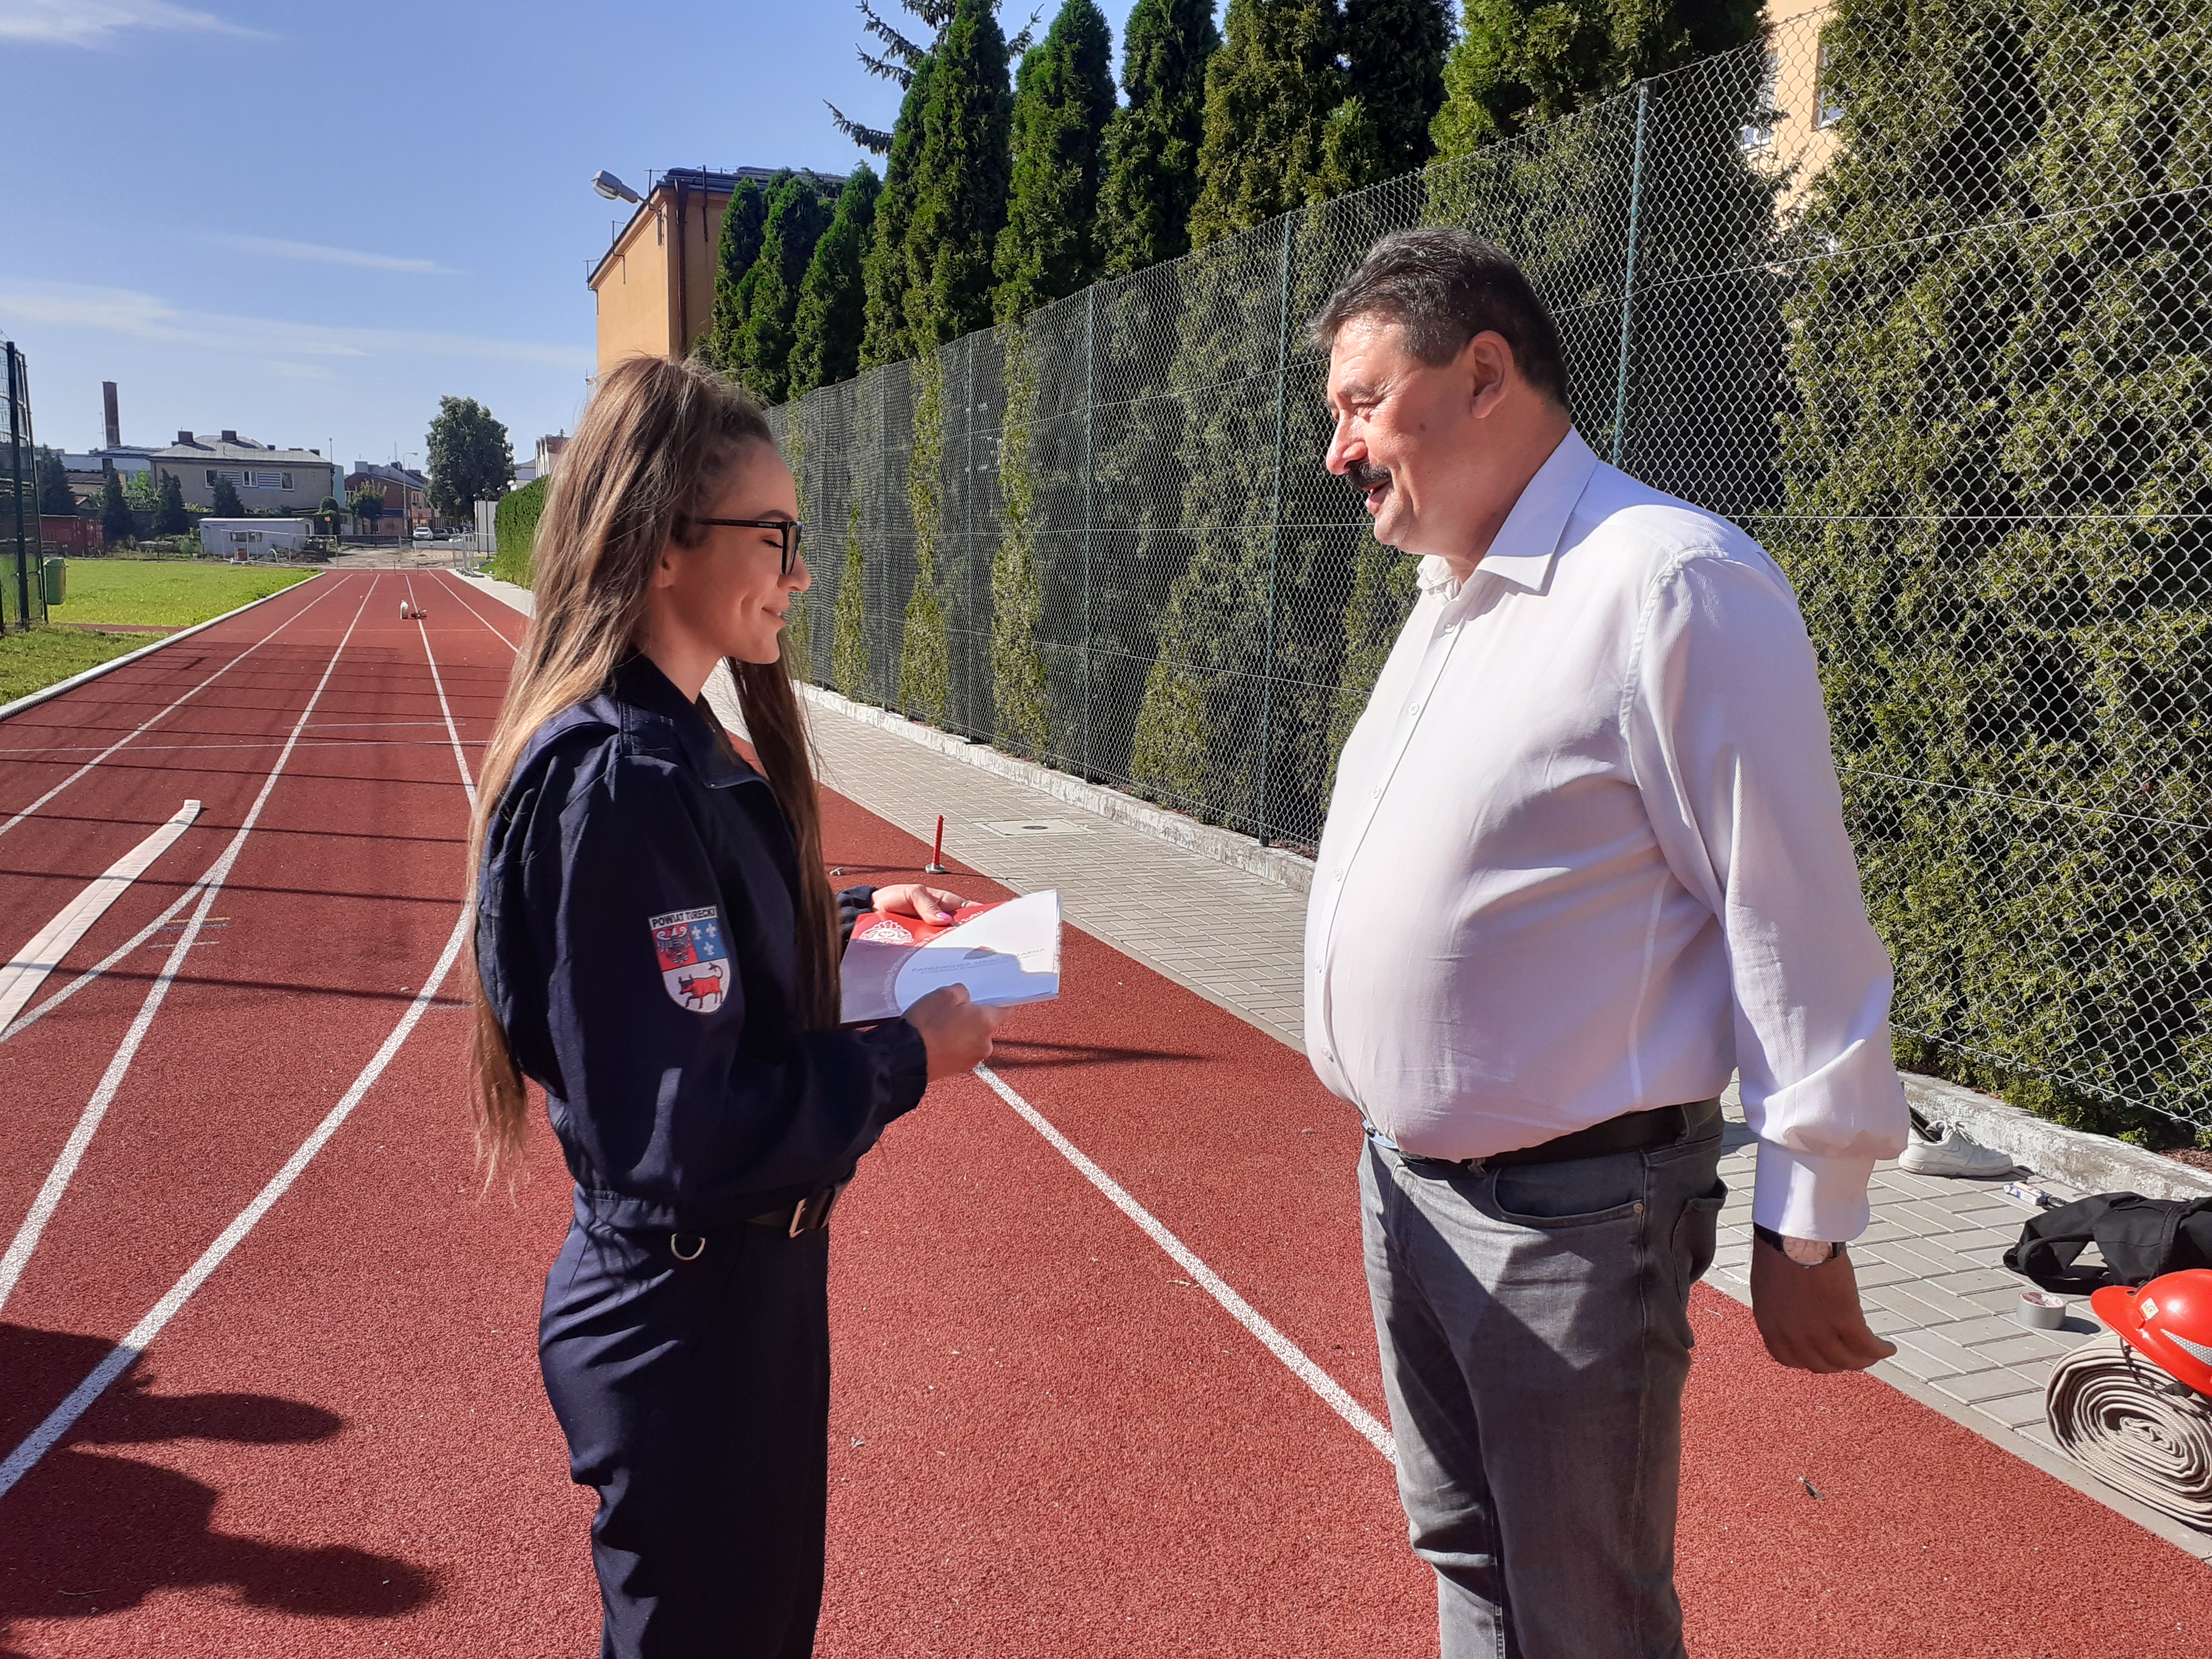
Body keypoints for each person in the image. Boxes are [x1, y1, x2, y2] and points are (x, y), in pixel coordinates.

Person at [1304, 229, 1908, 1658]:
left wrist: (1809, 1216)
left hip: (1569, 1216)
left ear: (1486, 373)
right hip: (1408, 1190)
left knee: (1586, 1618)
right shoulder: (1451, 596)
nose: (1339, 454)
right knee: (1465, 1560)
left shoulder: (1668, 581)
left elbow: (1790, 911)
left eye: (1363, 403)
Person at [465, 354, 1001, 1658]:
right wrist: (906, 1058)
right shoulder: (621, 780)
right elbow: (685, 1130)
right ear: (664, 545)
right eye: (777, 538)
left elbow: (700, 941)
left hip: (730, 1308)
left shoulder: (666, 752)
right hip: (686, 1319)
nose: (799, 575)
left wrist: (854, 914)